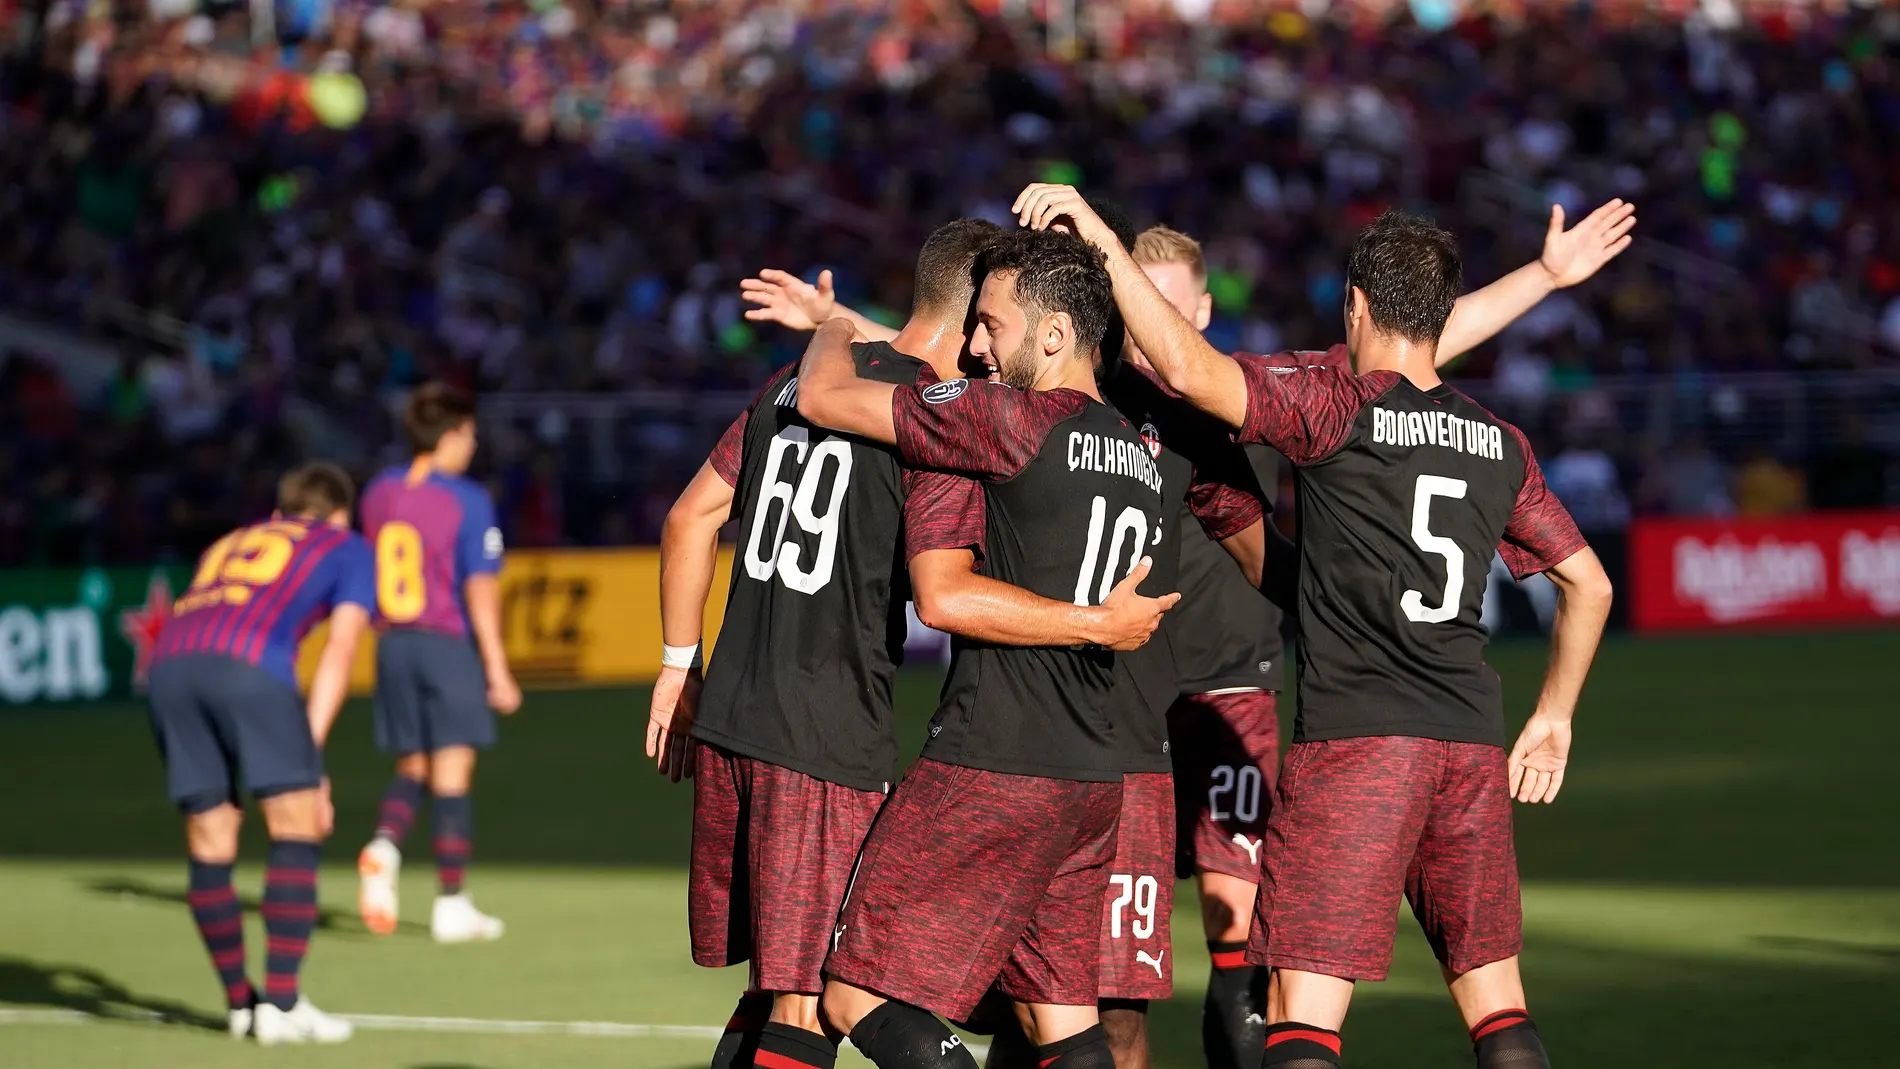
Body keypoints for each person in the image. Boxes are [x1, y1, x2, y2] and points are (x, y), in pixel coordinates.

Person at [1019, 186, 1615, 1069]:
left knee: (1302, 1015)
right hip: (1470, 744)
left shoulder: (1332, 404)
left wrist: (1099, 236)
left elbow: (1186, 368)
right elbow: (1590, 583)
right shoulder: (1500, 440)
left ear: (1356, 307)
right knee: (1498, 1003)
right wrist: (1555, 715)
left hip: (1359, 745)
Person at [653, 219, 1178, 1069]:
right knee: (1055, 1009)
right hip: (1071, 766)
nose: (978, 344)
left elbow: (706, 508)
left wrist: (831, 328)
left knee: (829, 988)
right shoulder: (1141, 451)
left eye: (993, 326)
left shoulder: (962, 414)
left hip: (932, 747)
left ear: (1047, 329)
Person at [145, 461, 373, 1045]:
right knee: (296, 824)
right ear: (340, 514)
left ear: (280, 512)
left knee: (211, 837)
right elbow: (342, 647)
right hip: (247, 665)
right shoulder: (346, 546)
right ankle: (283, 1002)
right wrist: (309, 754)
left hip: (167, 667)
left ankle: (239, 1006)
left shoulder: (231, 539)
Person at [356, 382, 520, 944]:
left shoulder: (378, 491)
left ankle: (382, 847)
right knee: (452, 773)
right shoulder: (467, 500)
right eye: (469, 433)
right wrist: (497, 670)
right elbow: (479, 589)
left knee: (414, 767)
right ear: (450, 434)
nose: (472, 444)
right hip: (443, 643)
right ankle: (451, 903)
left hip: (392, 644)